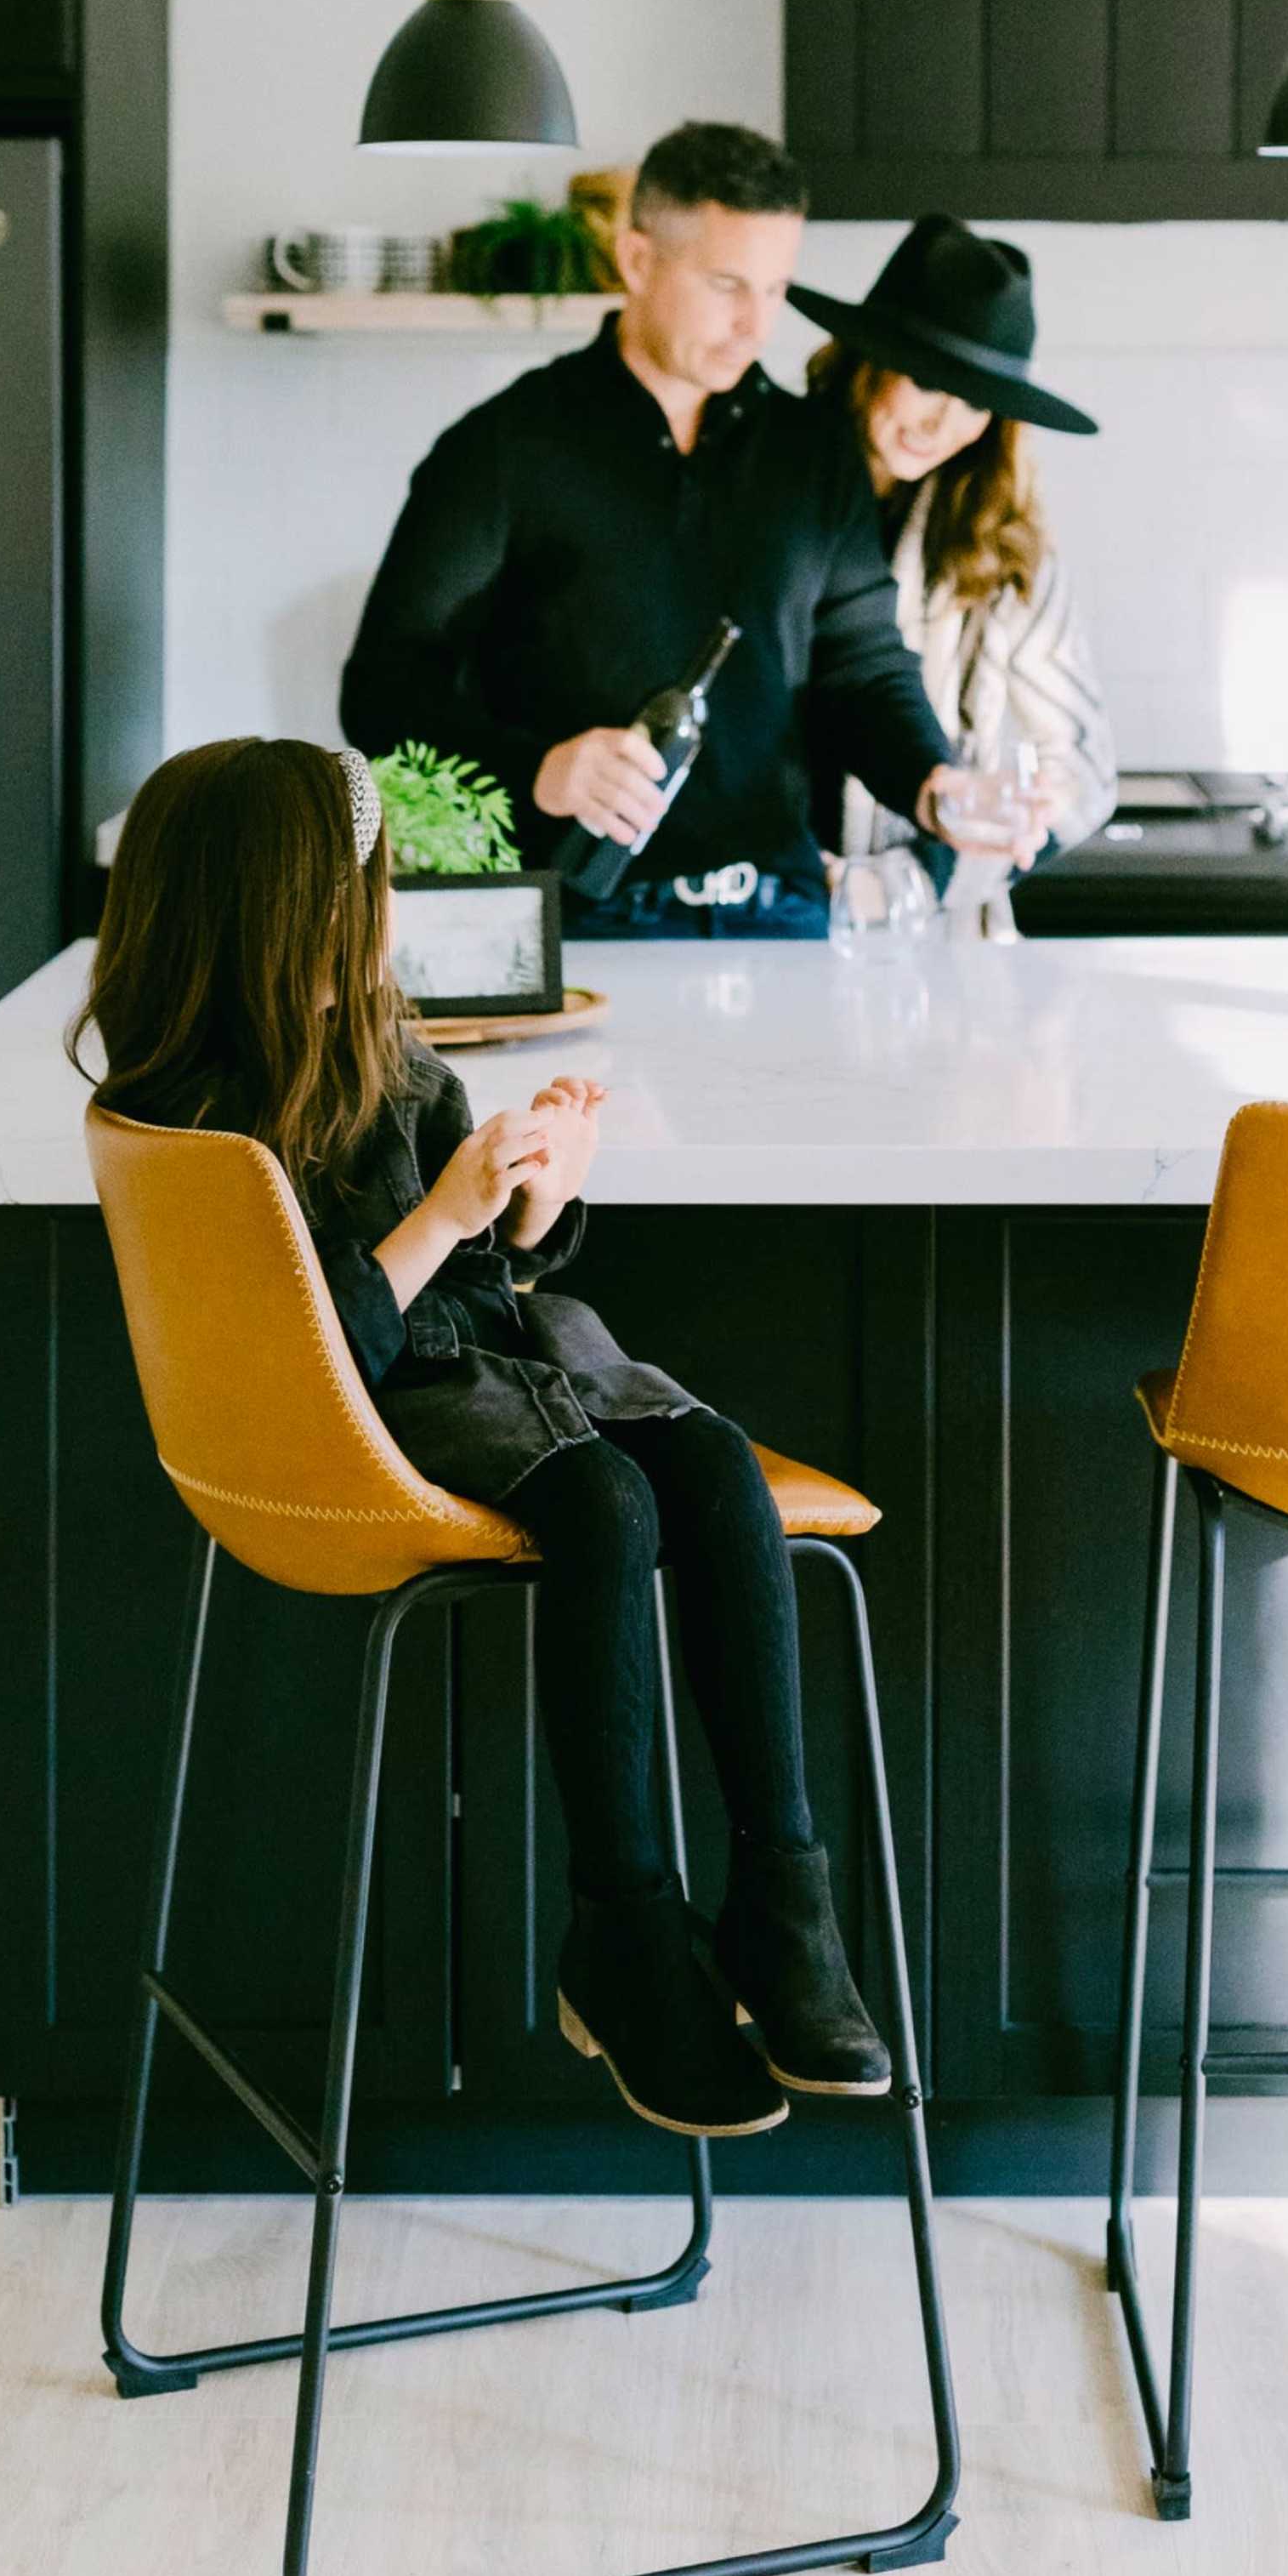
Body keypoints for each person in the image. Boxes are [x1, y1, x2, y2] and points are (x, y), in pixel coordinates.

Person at [79, 733, 888, 2141]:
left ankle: (782, 1900)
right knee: (607, 1505)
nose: (384, 923)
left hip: (484, 1363)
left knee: (709, 1463)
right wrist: (445, 1216)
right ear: (268, 919)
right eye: (362, 895)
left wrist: (526, 1199)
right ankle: (623, 1927)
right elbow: (322, 1344)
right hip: (361, 1412)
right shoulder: (205, 1116)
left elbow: (487, 1277)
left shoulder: (383, 1048)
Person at [341, 117, 1012, 937]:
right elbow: (381, 691)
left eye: (776, 289)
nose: (756, 325)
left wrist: (932, 781)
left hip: (784, 916)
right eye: (728, 285)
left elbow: (864, 668)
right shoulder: (502, 449)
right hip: (573, 925)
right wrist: (540, 770)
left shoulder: (815, 452)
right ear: (637, 260)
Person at [793, 216, 1115, 898]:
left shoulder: (1001, 546)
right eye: (926, 381)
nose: (943, 424)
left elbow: (1081, 769)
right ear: (866, 359)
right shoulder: (765, 491)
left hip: (916, 925)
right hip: (752, 906)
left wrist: (943, 864)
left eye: (975, 402)